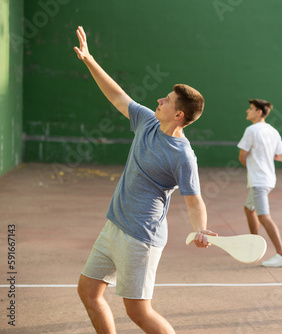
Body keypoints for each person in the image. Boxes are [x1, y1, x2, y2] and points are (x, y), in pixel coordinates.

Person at [74, 26, 217, 334]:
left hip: (140, 238)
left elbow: (194, 200)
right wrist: (89, 59)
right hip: (114, 224)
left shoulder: (183, 156)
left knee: (138, 311)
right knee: (88, 291)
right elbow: (116, 95)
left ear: (178, 115)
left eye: (166, 100)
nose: (159, 100)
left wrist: (200, 229)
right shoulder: (146, 121)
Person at [237, 99, 282, 267]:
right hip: (268, 180)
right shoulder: (274, 131)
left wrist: (255, 165)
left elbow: (242, 156)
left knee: (264, 217)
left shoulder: (251, 130)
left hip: (259, 181)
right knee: (249, 209)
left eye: (251, 109)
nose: (247, 111)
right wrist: (265, 155)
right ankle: (255, 245)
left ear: (259, 112)